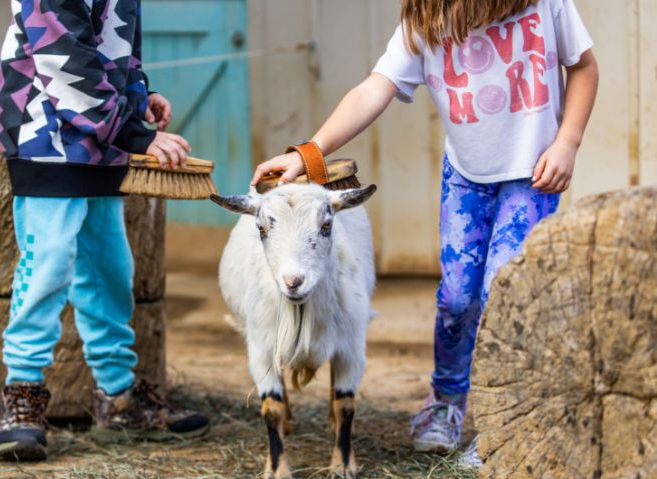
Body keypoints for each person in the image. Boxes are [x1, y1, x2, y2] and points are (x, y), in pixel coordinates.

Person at [251, 0, 598, 454]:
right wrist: (307, 154)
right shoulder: (426, 20)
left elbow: (584, 67)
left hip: (532, 176)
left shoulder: (545, 5)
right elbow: (374, 89)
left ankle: (502, 424)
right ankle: (447, 401)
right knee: (456, 298)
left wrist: (567, 142)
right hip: (467, 178)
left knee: (503, 294)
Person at [0, 0, 208, 461]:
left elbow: (114, 48)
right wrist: (134, 134)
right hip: (44, 136)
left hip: (96, 142)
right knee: (46, 263)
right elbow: (62, 54)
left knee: (108, 266)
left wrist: (138, 95)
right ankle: (21, 395)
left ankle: (119, 396)